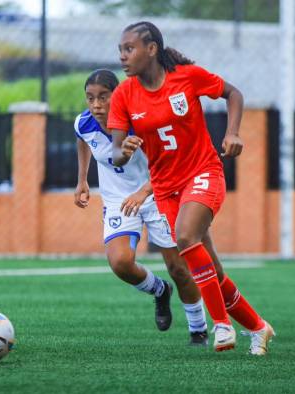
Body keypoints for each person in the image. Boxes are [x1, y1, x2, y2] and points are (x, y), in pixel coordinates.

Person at [109, 21, 274, 355]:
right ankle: (259, 327)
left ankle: (222, 325)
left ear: (151, 48)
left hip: (203, 172)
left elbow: (233, 93)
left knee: (185, 237)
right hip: (166, 187)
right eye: (121, 51)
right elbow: (115, 153)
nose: (123, 57)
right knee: (212, 270)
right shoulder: (124, 94)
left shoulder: (187, 76)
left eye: (129, 49)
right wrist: (122, 151)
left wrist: (232, 132)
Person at [74, 69, 209, 345]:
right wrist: (82, 180)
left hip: (159, 193)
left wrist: (143, 191)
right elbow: (83, 141)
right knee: (120, 263)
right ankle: (160, 291)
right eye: (90, 98)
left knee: (179, 268)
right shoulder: (84, 122)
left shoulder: (141, 122)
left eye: (103, 97)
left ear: (118, 95)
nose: (96, 105)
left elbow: (172, 164)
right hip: (117, 199)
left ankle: (198, 329)